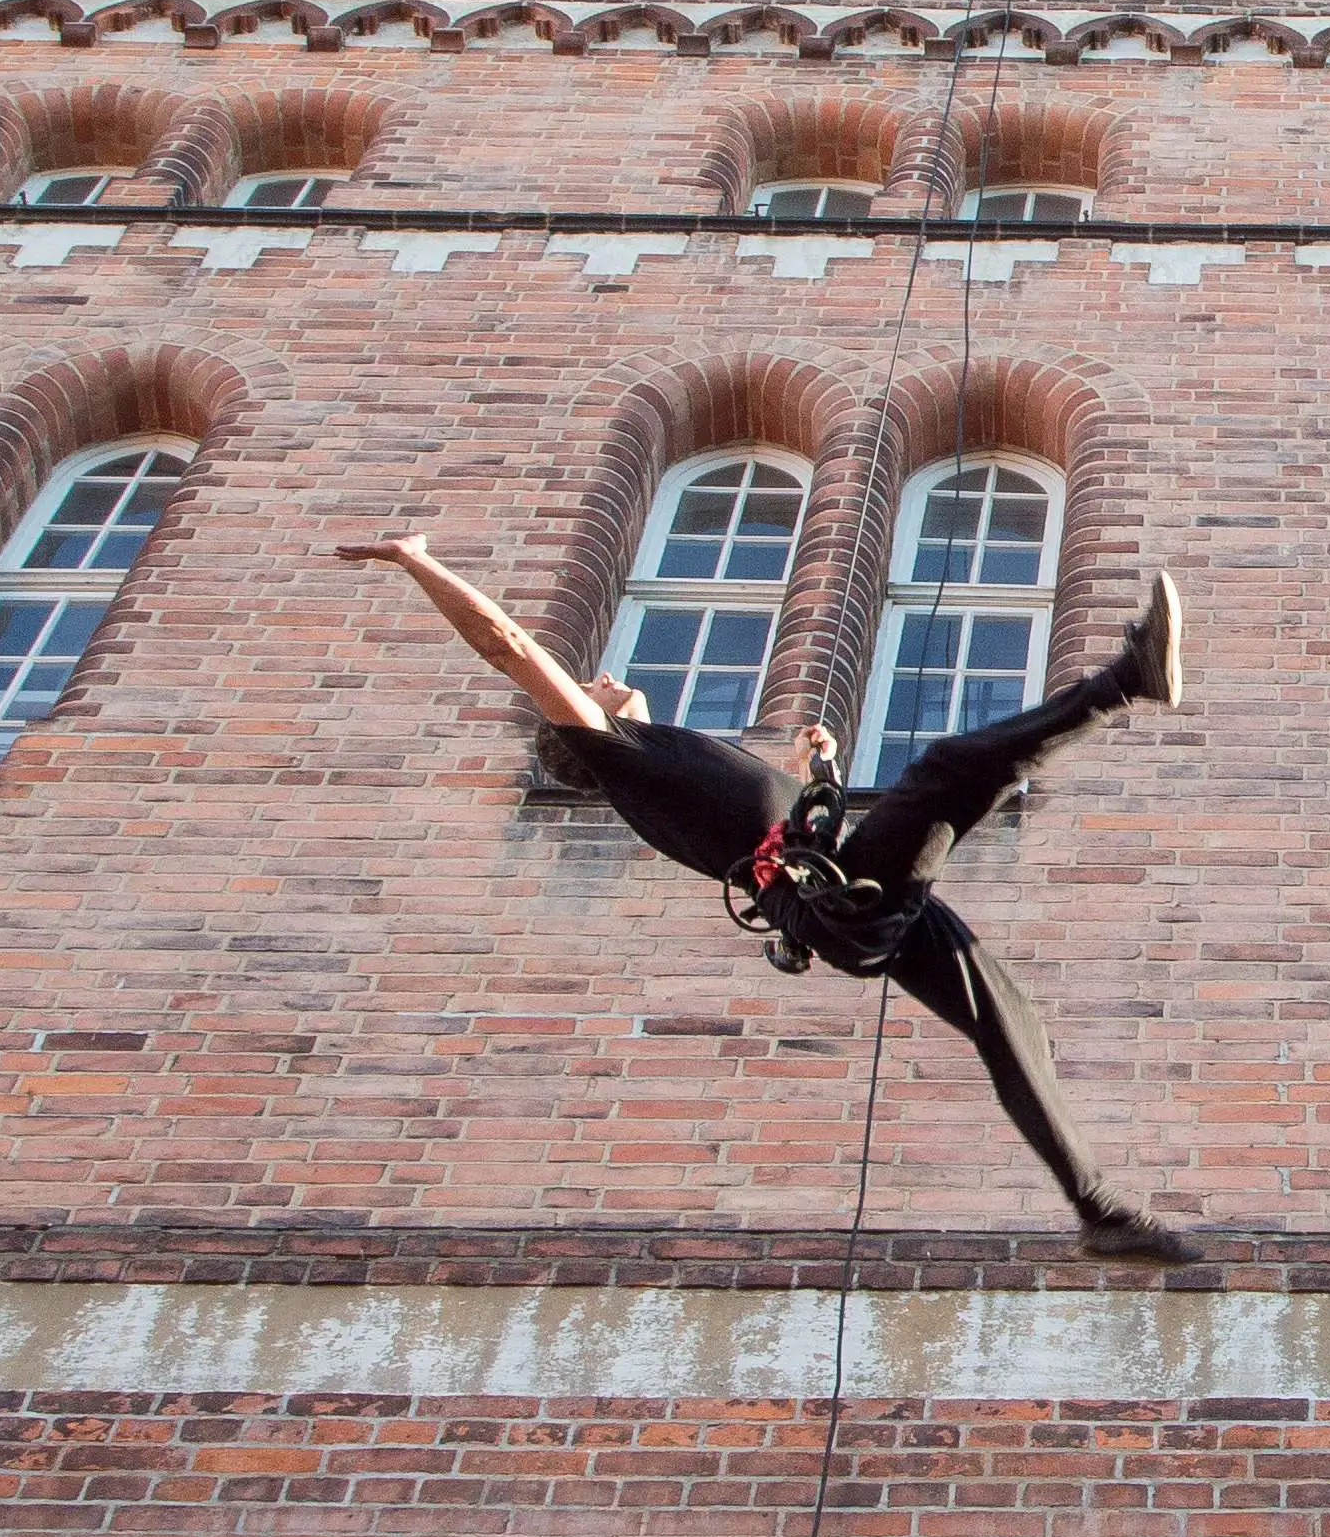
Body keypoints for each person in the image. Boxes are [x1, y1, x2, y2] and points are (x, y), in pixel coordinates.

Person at [344, 532, 1203, 1263]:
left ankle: (1100, 1212)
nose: (603, 675)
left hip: (844, 893)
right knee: (948, 769)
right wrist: (419, 562)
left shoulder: (673, 758)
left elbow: (782, 829)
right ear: (578, 731)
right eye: (592, 686)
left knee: (1009, 1020)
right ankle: (1126, 681)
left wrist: (813, 769)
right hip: (840, 904)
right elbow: (510, 648)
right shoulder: (617, 754)